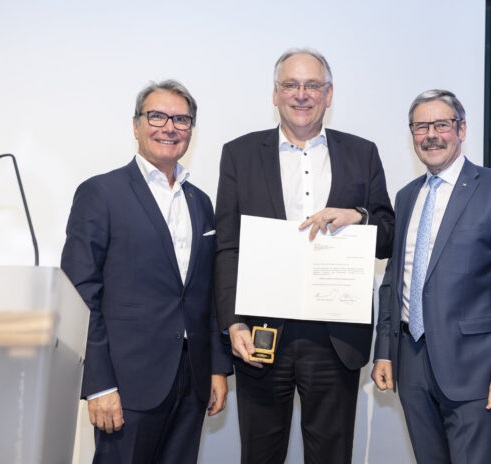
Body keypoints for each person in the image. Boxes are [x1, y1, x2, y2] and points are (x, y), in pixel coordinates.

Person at [214, 48, 394, 464]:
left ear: (329, 95)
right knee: (259, 454)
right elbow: (227, 247)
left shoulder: (362, 153)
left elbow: (386, 235)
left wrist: (359, 216)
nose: (301, 95)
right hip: (261, 334)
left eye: (312, 85)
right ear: (274, 94)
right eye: (290, 85)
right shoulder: (239, 154)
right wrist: (233, 322)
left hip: (335, 339)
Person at [61, 80, 232, 464]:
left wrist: (218, 369)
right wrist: (99, 383)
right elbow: (80, 294)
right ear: (136, 125)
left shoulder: (200, 202)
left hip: (191, 381)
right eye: (157, 116)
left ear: (191, 130)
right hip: (127, 383)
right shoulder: (101, 193)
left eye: (181, 120)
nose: (169, 127)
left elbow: (207, 291)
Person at [371, 89, 491, 463]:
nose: (431, 134)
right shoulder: (406, 196)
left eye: (441, 124)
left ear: (461, 129)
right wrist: (384, 352)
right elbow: (393, 279)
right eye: (420, 126)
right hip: (412, 366)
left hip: (476, 372)